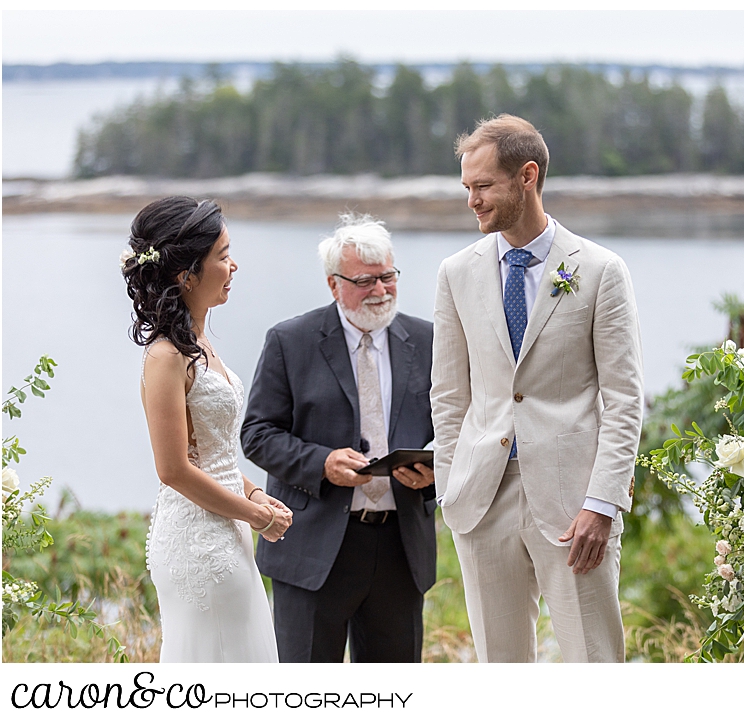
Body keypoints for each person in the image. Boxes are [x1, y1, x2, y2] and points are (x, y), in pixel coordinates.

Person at [431, 114, 644, 663]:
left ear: (527, 176)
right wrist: (450, 487)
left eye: (483, 187)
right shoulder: (456, 272)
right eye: (467, 188)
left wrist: (602, 503)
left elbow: (624, 399)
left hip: (575, 505)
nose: (472, 201)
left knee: (593, 661)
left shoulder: (600, 270)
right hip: (481, 499)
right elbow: (450, 394)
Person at [241, 213, 436, 663]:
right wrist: (321, 464)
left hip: (399, 550)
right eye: (365, 281)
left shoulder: (428, 340)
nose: (381, 291)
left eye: (387, 277)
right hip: (313, 550)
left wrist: (434, 471)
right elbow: (257, 434)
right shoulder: (290, 341)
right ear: (334, 284)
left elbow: (457, 429)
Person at [122, 196, 292, 663]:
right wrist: (253, 516)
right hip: (197, 541)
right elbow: (174, 469)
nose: (233, 265)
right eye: (222, 256)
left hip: (226, 525)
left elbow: (212, 455)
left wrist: (254, 494)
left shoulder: (197, 343)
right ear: (186, 274)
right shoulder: (165, 356)